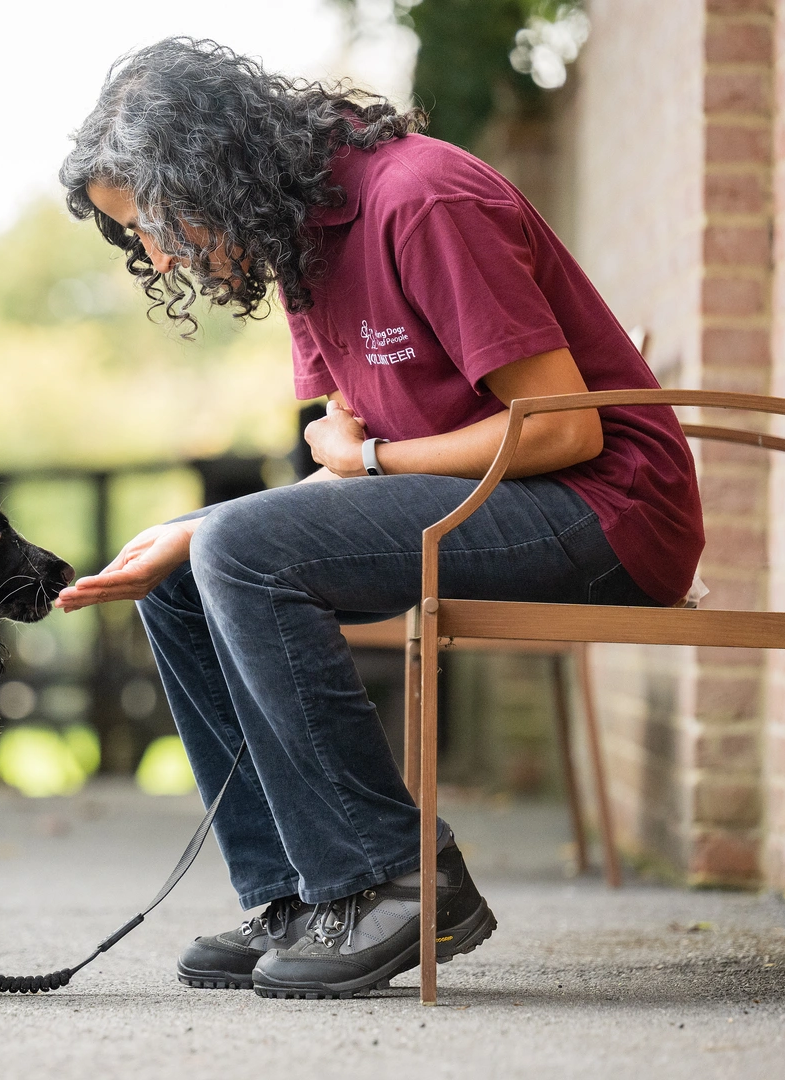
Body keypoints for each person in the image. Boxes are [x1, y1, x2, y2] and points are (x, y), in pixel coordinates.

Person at [53, 39, 704, 999]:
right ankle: (299, 895)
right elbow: (350, 473)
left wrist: (371, 462)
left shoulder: (420, 200)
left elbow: (564, 431)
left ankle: (393, 879)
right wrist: (197, 529)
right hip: (486, 501)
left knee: (237, 546)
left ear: (206, 169)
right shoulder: (301, 248)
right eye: (132, 237)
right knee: (189, 574)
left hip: (606, 509)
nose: (153, 252)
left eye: (149, 219)